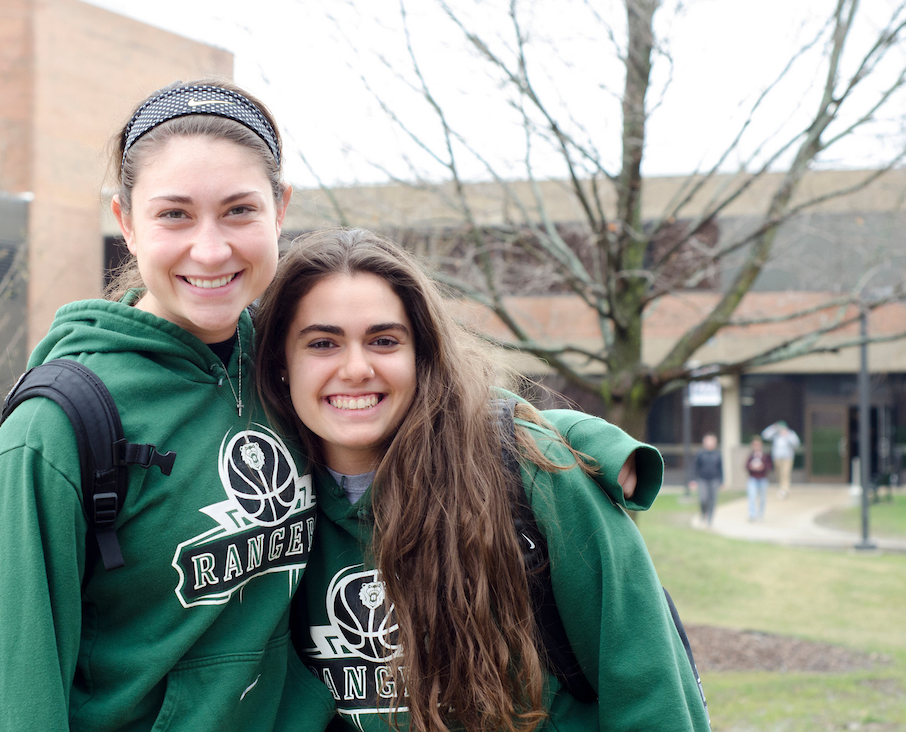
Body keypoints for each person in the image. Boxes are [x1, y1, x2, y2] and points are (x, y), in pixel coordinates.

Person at [0, 80, 336, 731]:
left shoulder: (296, 365)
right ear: (126, 222)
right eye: (175, 215)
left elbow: (442, 403)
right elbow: (10, 703)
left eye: (240, 210)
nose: (212, 249)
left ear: (281, 209)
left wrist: (574, 441)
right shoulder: (55, 429)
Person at [254, 229, 709, 732]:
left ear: (422, 355)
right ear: (280, 362)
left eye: (384, 341)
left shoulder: (530, 475)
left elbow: (650, 689)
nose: (356, 368)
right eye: (323, 342)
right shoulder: (265, 511)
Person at [689, 433, 723, 527]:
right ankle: (704, 512)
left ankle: (710, 518)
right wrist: (693, 480)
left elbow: (721, 468)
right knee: (703, 498)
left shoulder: (717, 454)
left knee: (713, 499)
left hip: (714, 479)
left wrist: (722, 481)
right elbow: (695, 467)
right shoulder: (700, 453)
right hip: (702, 479)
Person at [762, 420, 801, 498]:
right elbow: (765, 435)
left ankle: (785, 489)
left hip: (787, 458)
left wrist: (787, 435)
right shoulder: (776, 435)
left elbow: (796, 443)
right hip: (777, 457)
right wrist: (773, 428)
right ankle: (781, 488)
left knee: (785, 473)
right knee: (779, 473)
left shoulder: (790, 434)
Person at [745, 435, 774, 521]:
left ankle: (760, 514)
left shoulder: (765, 456)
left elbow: (769, 466)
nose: (756, 446)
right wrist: (752, 467)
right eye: (754, 444)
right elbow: (746, 466)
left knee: (762, 498)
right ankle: (752, 514)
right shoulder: (750, 456)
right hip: (753, 478)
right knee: (752, 496)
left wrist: (762, 467)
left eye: (758, 444)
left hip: (762, 479)